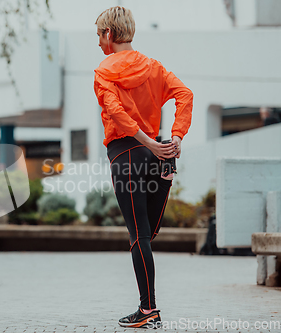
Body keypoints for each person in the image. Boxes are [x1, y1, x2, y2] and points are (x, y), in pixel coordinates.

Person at [93, 6, 193, 329]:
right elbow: (185, 95)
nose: (98, 43)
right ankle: (166, 173)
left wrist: (146, 143)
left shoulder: (103, 72)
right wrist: (174, 137)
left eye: (99, 35)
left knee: (138, 236)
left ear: (109, 34)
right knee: (147, 232)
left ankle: (148, 309)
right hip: (155, 154)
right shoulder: (154, 67)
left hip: (126, 155)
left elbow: (117, 113)